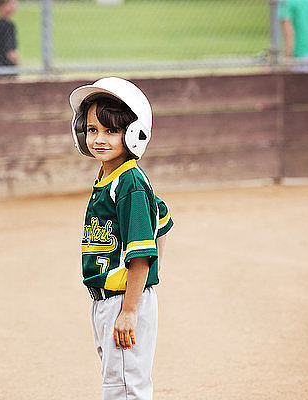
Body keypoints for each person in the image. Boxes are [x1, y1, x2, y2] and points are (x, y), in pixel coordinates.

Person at [69, 77, 173, 400]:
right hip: (107, 302)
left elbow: (141, 255)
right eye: (92, 130)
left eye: (111, 131)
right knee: (119, 382)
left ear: (133, 134)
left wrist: (132, 306)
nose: (99, 139)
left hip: (122, 302)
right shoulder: (110, 178)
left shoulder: (129, 183)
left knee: (125, 390)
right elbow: (163, 222)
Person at [0, 0, 19, 80]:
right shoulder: (8, 26)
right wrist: (18, 65)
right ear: (3, 6)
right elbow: (11, 53)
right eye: (12, 3)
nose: (16, 4)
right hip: (7, 73)